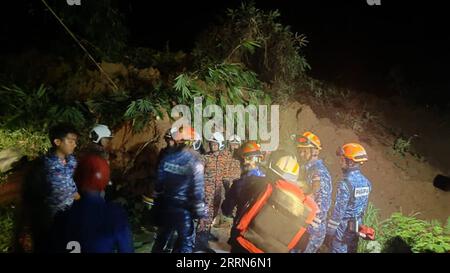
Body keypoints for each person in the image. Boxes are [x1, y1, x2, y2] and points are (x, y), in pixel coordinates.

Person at [222, 152, 318, 253]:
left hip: (244, 245)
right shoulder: (305, 206)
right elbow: (302, 243)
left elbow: (240, 210)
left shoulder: (261, 186)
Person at [51, 154, 134, 253]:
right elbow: (126, 250)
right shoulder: (115, 215)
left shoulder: (63, 216)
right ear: (106, 180)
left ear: (76, 179)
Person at [151, 126, 206, 253]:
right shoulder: (195, 163)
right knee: (186, 243)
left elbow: (158, 186)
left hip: (166, 206)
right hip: (184, 210)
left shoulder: (167, 158)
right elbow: (197, 192)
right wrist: (201, 214)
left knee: (162, 239)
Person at [325, 143, 372, 253]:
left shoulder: (345, 184)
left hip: (341, 234)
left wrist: (329, 233)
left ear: (350, 162)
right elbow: (362, 210)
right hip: (355, 231)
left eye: (342, 159)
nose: (340, 162)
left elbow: (338, 213)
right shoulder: (367, 184)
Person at [294, 132, 332, 253]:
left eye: (305, 151)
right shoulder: (308, 169)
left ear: (315, 151)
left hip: (311, 232)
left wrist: (306, 223)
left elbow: (322, 206)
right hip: (303, 226)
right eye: (300, 150)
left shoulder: (319, 173)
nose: (301, 154)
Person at [194, 131, 228, 251]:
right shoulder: (205, 158)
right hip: (206, 193)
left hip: (218, 194)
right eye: (211, 144)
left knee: (213, 215)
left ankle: (206, 234)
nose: (213, 146)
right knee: (204, 217)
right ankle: (200, 240)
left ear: (220, 145)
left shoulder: (225, 159)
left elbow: (226, 176)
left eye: (215, 144)